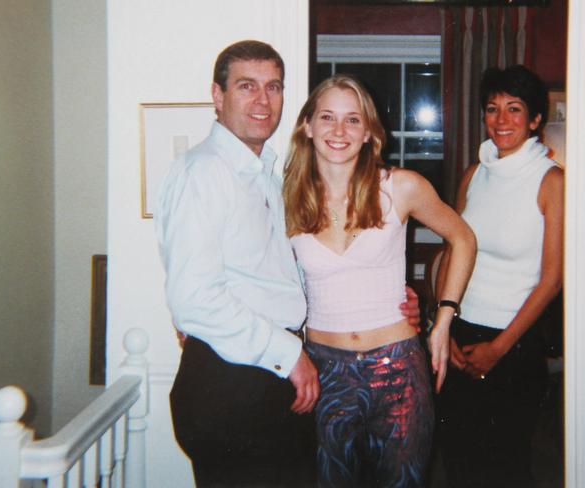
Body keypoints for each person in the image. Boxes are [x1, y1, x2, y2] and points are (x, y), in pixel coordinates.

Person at [154, 40, 420, 487]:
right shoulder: (203, 172)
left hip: (267, 377)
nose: (263, 100)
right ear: (218, 97)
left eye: (273, 87)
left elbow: (281, 273)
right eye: (247, 86)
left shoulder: (268, 176)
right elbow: (194, 298)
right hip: (233, 382)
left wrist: (397, 297)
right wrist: (289, 353)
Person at [282, 74, 476, 488]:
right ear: (307, 126)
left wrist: (443, 319)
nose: (338, 131)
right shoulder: (286, 199)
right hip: (323, 371)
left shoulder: (400, 187)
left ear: (369, 132)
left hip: (399, 371)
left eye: (352, 120)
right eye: (327, 117)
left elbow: (463, 238)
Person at [435, 65, 564, 488]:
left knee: (505, 466)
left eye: (514, 109)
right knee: (458, 458)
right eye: (492, 109)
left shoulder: (551, 181)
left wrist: (499, 348)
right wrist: (445, 326)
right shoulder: (475, 175)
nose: (501, 120)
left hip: (515, 342)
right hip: (461, 331)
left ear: (535, 120)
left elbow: (552, 279)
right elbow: (453, 251)